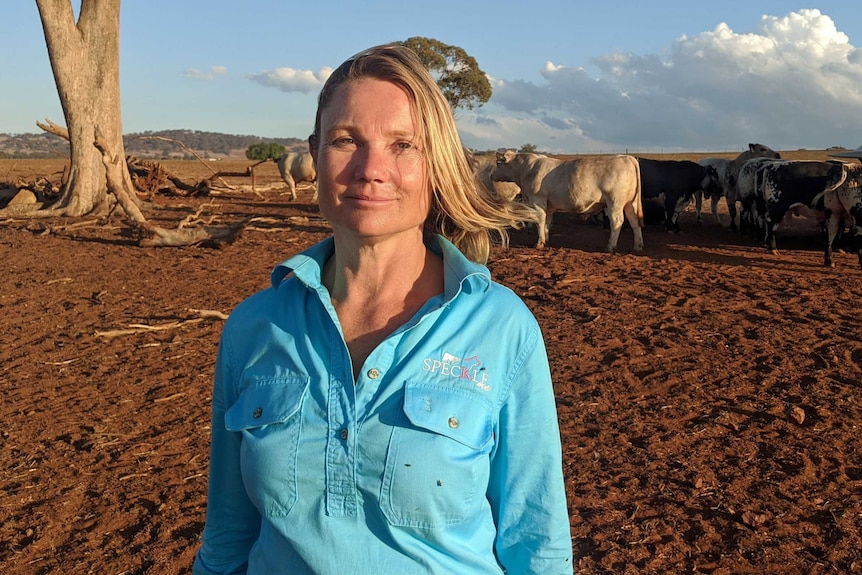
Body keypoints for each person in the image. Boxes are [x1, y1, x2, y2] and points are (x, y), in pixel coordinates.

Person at [193, 44, 573, 575]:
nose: (371, 169)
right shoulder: (254, 327)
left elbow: (536, 542)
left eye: (403, 145)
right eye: (346, 140)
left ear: (435, 162)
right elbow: (228, 535)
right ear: (315, 154)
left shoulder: (501, 327)